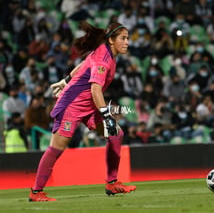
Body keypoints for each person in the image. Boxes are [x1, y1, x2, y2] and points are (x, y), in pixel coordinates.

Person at [29, 21, 136, 202]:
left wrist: (66, 79)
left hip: (89, 106)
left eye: (127, 38)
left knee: (116, 134)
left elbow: (85, 63)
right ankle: (36, 192)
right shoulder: (104, 59)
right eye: (123, 38)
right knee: (57, 148)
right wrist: (107, 115)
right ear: (111, 40)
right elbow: (95, 89)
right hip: (72, 105)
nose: (127, 42)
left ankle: (112, 183)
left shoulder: (105, 52)